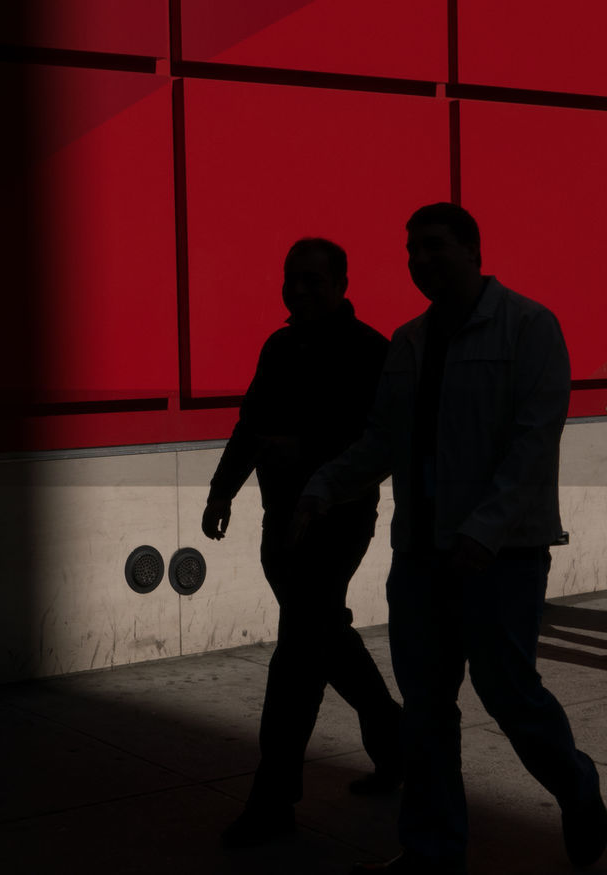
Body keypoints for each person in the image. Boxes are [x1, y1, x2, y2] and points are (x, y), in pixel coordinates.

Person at [295, 203, 607, 874]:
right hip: (420, 558)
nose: (420, 260)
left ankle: (580, 788)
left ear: (472, 250)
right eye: (411, 250)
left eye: (434, 246)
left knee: (512, 698)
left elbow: (533, 444)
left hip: (501, 558)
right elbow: (382, 440)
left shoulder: (529, 327)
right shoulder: (408, 343)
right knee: (426, 711)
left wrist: (484, 531)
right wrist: (324, 486)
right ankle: (433, 847)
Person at [204, 238, 404, 849]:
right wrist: (221, 492)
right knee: (325, 637)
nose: (300, 290)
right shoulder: (280, 345)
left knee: (296, 657)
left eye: (314, 280)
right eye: (292, 278)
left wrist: (305, 449)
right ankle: (398, 744)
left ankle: (273, 800)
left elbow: (377, 440)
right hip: (278, 521)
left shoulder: (372, 351)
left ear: (343, 283)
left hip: (337, 524)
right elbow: (250, 424)